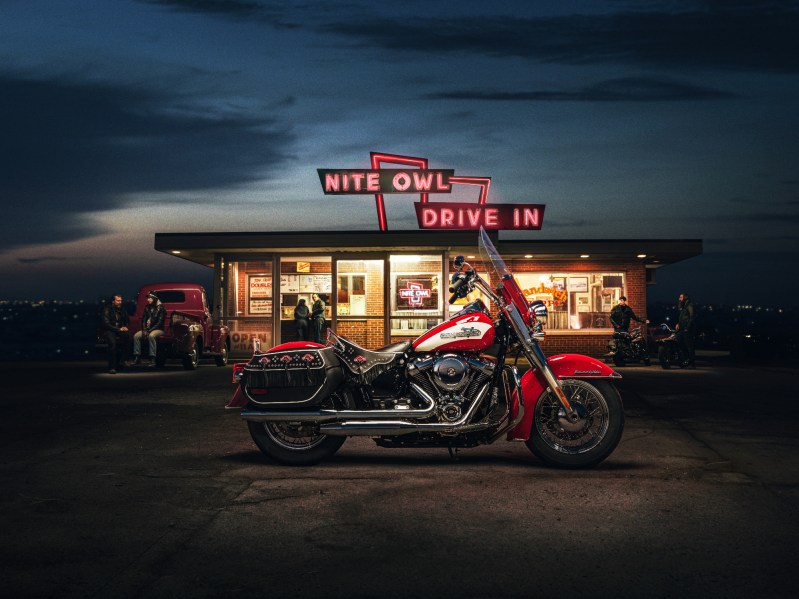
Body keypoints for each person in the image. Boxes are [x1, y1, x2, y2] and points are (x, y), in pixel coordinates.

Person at [131, 291, 166, 365]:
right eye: (148, 298)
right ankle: (137, 357)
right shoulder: (147, 307)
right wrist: (144, 330)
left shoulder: (161, 308)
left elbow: (159, 323)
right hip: (147, 329)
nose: (148, 299)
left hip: (158, 329)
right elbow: (144, 319)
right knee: (136, 336)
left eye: (150, 298)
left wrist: (149, 331)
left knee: (151, 336)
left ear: (154, 298)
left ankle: (152, 358)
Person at [100, 293, 131, 374]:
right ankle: (112, 367)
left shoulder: (122, 309)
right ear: (113, 301)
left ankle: (123, 361)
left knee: (128, 337)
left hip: (119, 330)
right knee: (112, 344)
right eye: (118, 300)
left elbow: (127, 321)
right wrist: (118, 329)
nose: (120, 302)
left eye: (121, 300)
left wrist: (125, 327)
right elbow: (106, 324)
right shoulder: (107, 309)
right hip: (110, 330)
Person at [675, 292, 696, 368]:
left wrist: (688, 327)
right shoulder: (683, 306)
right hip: (682, 328)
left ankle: (692, 363)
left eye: (681, 297)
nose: (679, 299)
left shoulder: (690, 305)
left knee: (689, 345)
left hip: (687, 329)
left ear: (685, 298)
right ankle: (685, 359)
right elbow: (682, 317)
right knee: (679, 341)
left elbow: (692, 317)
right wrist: (678, 323)